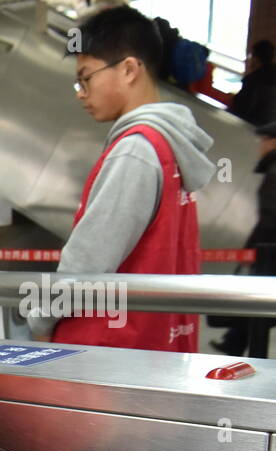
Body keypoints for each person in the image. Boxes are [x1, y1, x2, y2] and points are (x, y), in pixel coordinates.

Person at [29, 5, 214, 351]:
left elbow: (86, 261)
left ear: (129, 69)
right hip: (155, 342)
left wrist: (40, 320)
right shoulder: (170, 144)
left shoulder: (136, 150)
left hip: (108, 350)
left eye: (85, 78)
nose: (81, 92)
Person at [209, 120, 276, 357]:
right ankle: (234, 342)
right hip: (267, 248)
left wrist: (256, 250)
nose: (261, 146)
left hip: (268, 250)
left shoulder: (273, 171)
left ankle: (237, 343)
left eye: (264, 141)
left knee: (257, 300)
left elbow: (270, 217)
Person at [229, 39, 276, 126]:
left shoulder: (253, 81)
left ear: (256, 58)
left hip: (253, 130)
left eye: (250, 55)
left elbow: (241, 110)